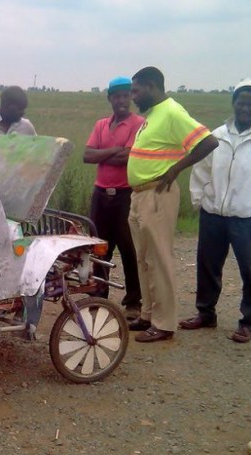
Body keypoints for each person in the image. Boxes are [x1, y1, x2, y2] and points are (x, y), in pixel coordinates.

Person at [126, 66, 218, 342]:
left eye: (136, 91)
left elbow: (208, 141)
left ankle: (164, 324)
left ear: (153, 87)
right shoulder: (152, 115)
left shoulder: (172, 111)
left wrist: (176, 169)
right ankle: (147, 315)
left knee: (159, 259)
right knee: (143, 258)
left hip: (157, 195)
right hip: (139, 196)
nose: (133, 97)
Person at [179, 79, 251, 342]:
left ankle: (248, 323)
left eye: (250, 103)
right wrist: (199, 198)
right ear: (233, 103)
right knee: (208, 265)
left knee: (250, 269)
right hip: (213, 213)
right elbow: (201, 169)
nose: (246, 107)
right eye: (241, 102)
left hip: (246, 217)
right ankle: (206, 314)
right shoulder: (218, 135)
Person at [83, 76, 143, 320]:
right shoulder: (101, 125)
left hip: (124, 195)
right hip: (100, 195)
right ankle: (99, 295)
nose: (122, 100)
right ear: (109, 98)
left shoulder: (139, 123)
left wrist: (103, 154)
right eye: (117, 96)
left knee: (129, 249)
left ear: (130, 97)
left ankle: (133, 302)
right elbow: (87, 155)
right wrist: (114, 151)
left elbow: (127, 157)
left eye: (126, 95)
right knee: (99, 248)